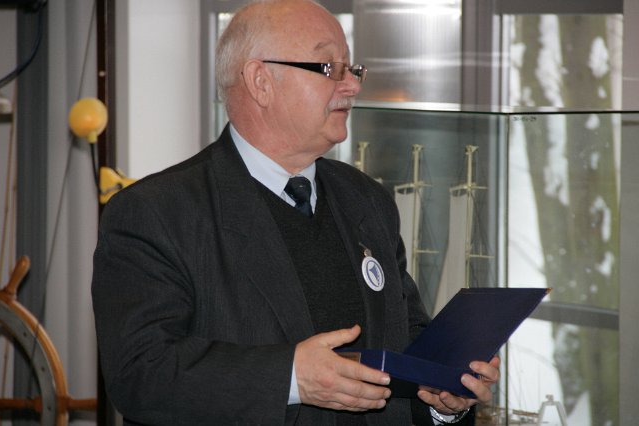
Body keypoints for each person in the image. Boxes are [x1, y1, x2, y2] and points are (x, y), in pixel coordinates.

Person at [91, 0, 500, 425]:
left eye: (352, 68)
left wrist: (442, 394)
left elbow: (406, 345)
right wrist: (289, 378)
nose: (351, 85)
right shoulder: (156, 213)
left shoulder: (367, 199)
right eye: (330, 68)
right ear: (260, 82)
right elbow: (141, 374)